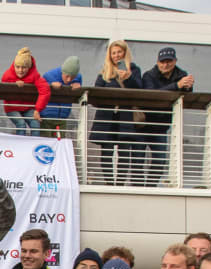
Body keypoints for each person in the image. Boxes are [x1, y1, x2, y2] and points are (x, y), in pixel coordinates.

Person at [90, 40, 142, 186]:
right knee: (106, 151)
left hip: (125, 116)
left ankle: (119, 184)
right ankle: (109, 183)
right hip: (107, 116)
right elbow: (97, 91)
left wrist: (128, 78)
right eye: (113, 53)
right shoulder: (105, 71)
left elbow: (139, 89)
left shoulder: (134, 70)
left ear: (125, 53)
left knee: (124, 152)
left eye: (119, 52)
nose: (116, 55)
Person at [140, 48, 194, 187]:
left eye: (169, 61)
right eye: (162, 62)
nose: (165, 65)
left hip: (161, 126)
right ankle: (138, 190)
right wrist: (177, 85)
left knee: (160, 161)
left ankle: (150, 189)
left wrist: (188, 86)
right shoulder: (148, 75)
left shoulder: (181, 74)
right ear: (157, 62)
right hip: (143, 124)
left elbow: (186, 96)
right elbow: (152, 95)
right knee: (137, 160)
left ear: (175, 61)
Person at [1, 48, 50, 136]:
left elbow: (45, 91)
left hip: (28, 108)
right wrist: (14, 83)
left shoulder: (35, 75)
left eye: (24, 67)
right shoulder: (8, 75)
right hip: (12, 107)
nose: (20, 70)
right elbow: (3, 87)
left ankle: (35, 144)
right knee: (21, 124)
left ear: (29, 67)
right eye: (17, 67)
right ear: (14, 65)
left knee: (35, 124)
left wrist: (37, 110)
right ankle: (20, 144)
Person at [40, 56, 82, 138]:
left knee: (60, 142)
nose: (69, 79)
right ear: (62, 71)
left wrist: (79, 87)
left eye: (72, 77)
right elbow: (40, 87)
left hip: (63, 118)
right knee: (45, 141)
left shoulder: (78, 78)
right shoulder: (49, 75)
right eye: (67, 76)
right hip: (46, 117)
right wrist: (50, 84)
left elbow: (79, 94)